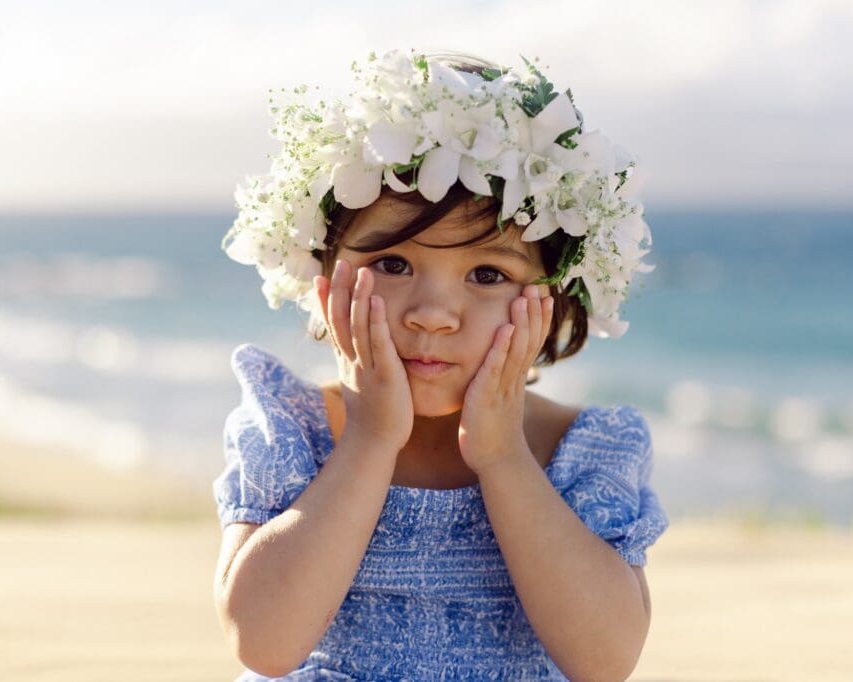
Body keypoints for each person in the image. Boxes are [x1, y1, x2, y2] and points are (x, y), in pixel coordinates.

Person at [211, 49, 669, 681]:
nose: (433, 313)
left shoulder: (582, 450)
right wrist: (370, 440)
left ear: (554, 302)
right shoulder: (290, 428)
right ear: (326, 284)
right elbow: (263, 642)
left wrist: (504, 457)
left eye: (488, 273)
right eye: (392, 264)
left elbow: (606, 659)